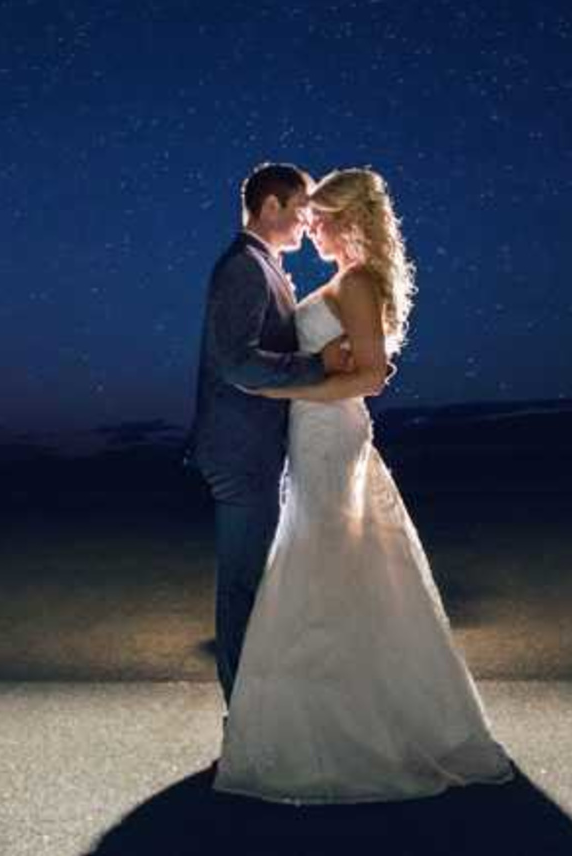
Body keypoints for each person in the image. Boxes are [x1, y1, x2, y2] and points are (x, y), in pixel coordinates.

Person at [212, 167, 515, 804]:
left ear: (348, 221)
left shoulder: (357, 282)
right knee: (330, 568)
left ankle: (335, 728)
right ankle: (323, 714)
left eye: (320, 219)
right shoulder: (338, 279)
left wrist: (286, 391)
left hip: (329, 433)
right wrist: (301, 380)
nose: (310, 227)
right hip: (311, 432)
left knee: (326, 568)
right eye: (307, 215)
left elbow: (371, 376)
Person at [182, 163, 381, 728]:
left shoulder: (265, 267)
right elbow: (237, 363)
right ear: (271, 206)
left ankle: (263, 706)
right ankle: (245, 718)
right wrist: (318, 365)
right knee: (243, 585)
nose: (306, 221)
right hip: (241, 450)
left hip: (260, 446)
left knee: (257, 582)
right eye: (300, 210)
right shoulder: (244, 267)